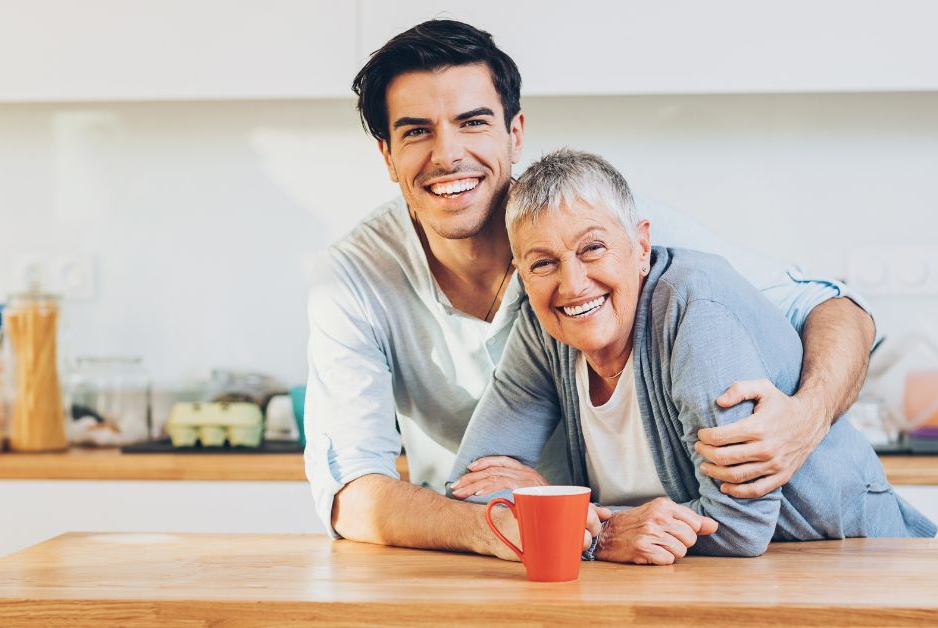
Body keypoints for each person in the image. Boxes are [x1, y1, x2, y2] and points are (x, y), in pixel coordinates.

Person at [304, 19, 879, 559]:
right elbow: (352, 494)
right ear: (386, 155)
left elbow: (831, 307)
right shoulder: (352, 280)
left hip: (693, 550)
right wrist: (539, 521)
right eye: (415, 131)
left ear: (515, 132)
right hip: (503, 548)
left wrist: (808, 416)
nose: (449, 153)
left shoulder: (611, 232)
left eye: (473, 121)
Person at [448, 149, 935, 563]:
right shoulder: (544, 327)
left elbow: (740, 527)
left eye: (592, 248)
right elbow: (472, 486)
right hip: (694, 586)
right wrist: (600, 529)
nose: (572, 284)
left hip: (850, 566)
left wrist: (576, 522)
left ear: (640, 245)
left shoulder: (697, 313)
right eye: (543, 263)